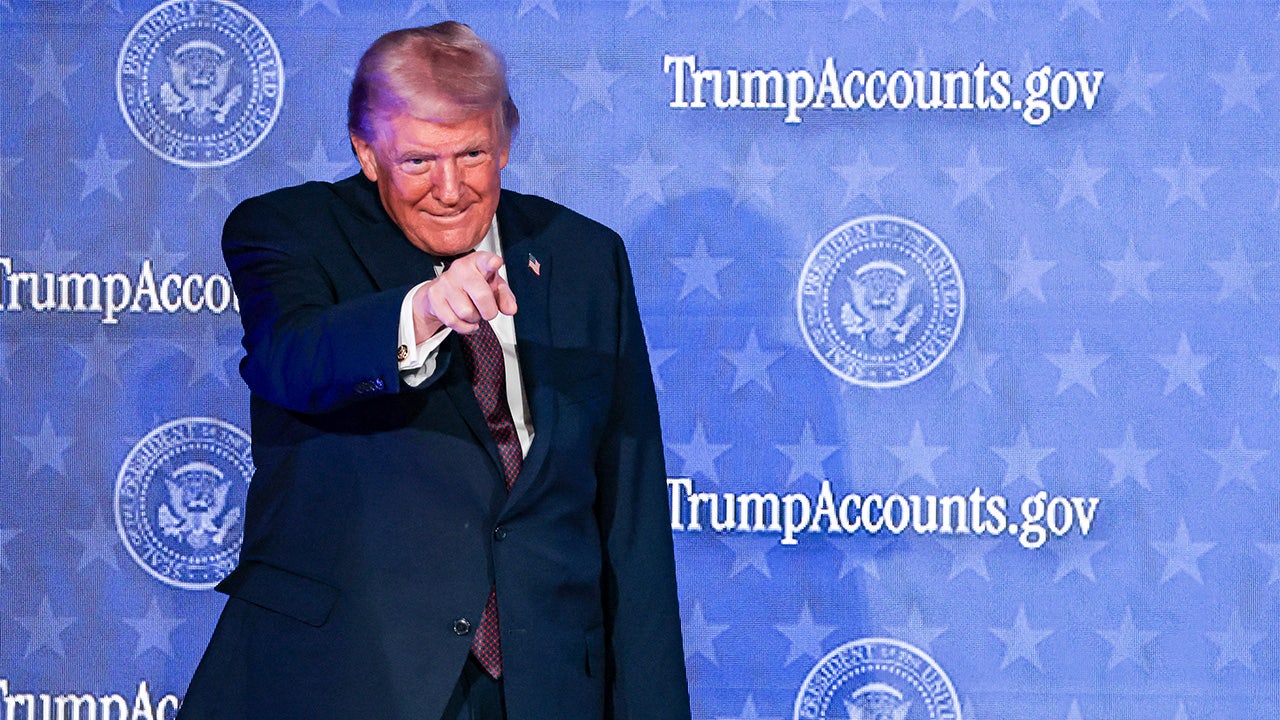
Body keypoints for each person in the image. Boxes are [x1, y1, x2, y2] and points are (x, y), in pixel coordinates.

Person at [176, 22, 690, 720]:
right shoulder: (289, 230)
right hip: (347, 679)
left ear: (505, 141)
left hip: (545, 688)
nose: (449, 189)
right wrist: (421, 312)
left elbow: (631, 513)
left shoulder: (584, 256)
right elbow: (289, 359)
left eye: (472, 153)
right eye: (418, 160)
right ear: (367, 153)